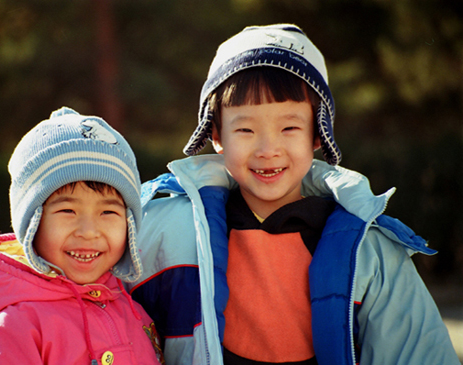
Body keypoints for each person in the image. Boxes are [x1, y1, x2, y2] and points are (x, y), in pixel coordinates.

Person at [126, 24, 459, 364]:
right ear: (216, 134)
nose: (269, 149)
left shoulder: (369, 254)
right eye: (245, 129)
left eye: (289, 128)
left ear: (317, 133)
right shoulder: (166, 233)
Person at [0, 107, 164, 365]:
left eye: (108, 212)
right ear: (32, 223)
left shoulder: (133, 310)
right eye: (67, 210)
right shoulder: (14, 327)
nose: (88, 231)